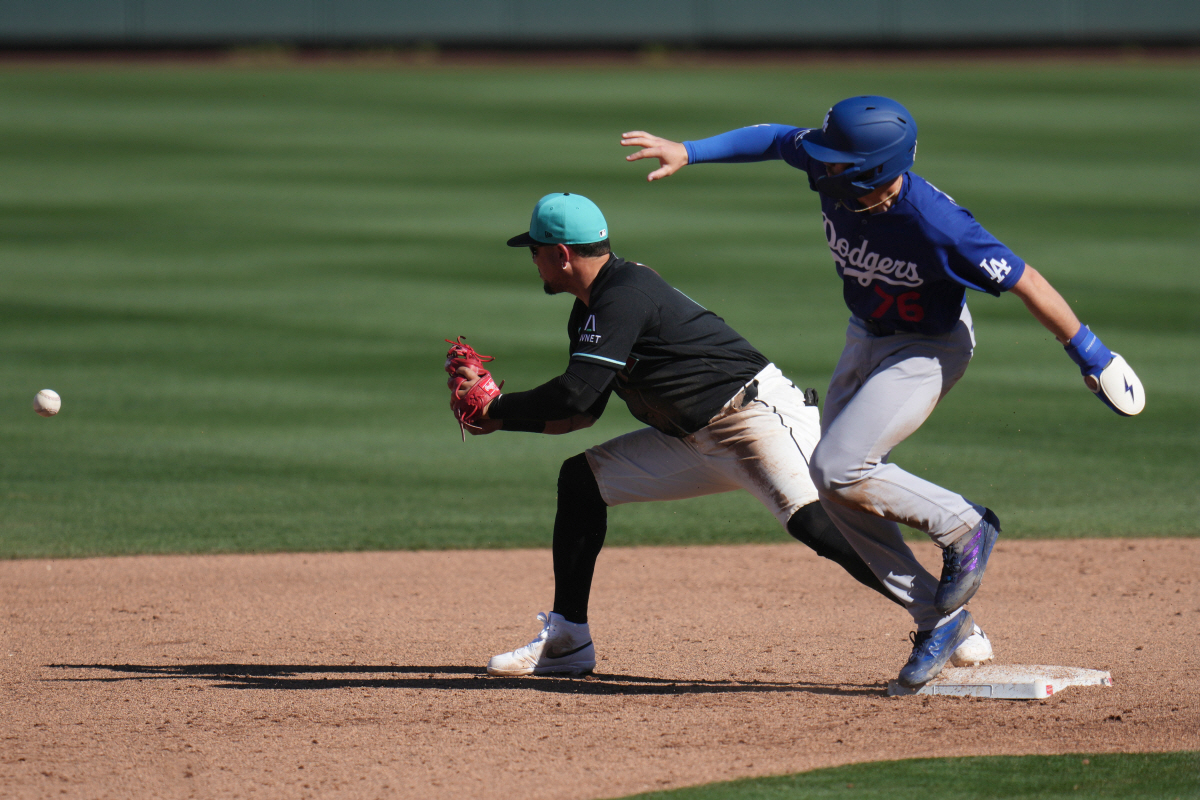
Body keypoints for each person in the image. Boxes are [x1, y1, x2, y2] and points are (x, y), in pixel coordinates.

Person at [621, 95, 1142, 687]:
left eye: (836, 161)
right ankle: (935, 620)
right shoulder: (831, 167)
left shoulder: (939, 225)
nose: (820, 165)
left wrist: (1092, 354)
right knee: (830, 484)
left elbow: (1027, 281)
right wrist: (690, 151)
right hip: (865, 337)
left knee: (842, 467)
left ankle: (966, 526)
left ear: (873, 170)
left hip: (928, 349)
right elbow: (773, 137)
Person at [450, 191, 992, 680]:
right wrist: (497, 417)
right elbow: (581, 413)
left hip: (754, 417)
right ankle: (568, 639)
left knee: (818, 524)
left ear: (561, 255)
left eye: (536, 250)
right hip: (691, 437)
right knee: (582, 481)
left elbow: (571, 394)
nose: (534, 260)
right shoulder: (589, 312)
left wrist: (497, 406)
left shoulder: (623, 295)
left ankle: (944, 619)